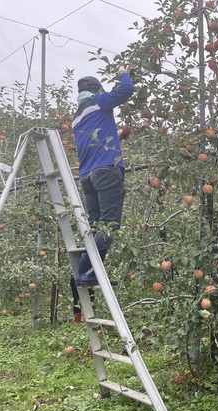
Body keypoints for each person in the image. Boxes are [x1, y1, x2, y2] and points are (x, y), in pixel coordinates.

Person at [71, 67, 135, 287]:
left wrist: (118, 136)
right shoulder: (98, 101)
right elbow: (127, 89)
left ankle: (88, 271)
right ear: (97, 89)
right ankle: (86, 272)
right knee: (109, 225)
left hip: (88, 176)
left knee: (96, 226)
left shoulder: (77, 117)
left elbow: (94, 141)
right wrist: (123, 72)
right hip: (107, 172)